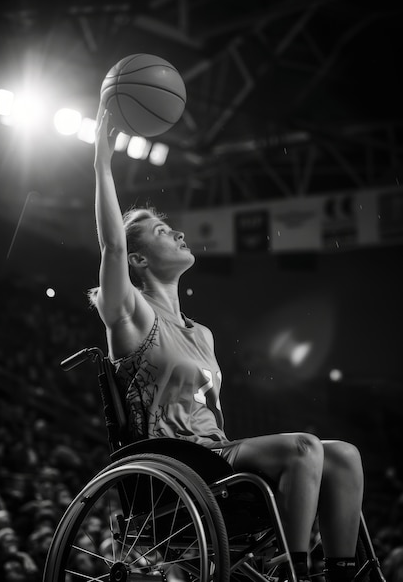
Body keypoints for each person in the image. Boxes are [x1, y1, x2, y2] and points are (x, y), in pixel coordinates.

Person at [88, 104, 364, 582]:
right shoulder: (130, 316)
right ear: (137, 260)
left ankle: (341, 573)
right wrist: (101, 163)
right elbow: (110, 246)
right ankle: (296, 572)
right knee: (303, 448)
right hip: (177, 464)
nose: (175, 232)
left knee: (344, 455)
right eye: (159, 231)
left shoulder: (203, 333)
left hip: (216, 455)